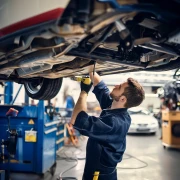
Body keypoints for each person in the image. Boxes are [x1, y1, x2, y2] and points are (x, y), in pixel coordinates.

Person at [70, 72, 145, 180]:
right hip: (99, 170)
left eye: (119, 87)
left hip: (98, 175)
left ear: (123, 99)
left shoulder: (114, 123)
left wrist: (84, 92)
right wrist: (91, 66)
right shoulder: (116, 108)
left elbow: (77, 119)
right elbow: (101, 87)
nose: (116, 85)